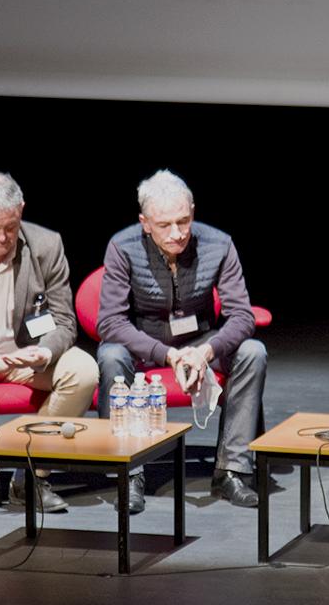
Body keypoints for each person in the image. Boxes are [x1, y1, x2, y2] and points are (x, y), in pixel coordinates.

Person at [96, 169, 266, 514]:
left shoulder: (219, 243)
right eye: (164, 225)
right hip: (145, 344)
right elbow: (109, 321)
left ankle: (232, 470)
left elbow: (242, 316)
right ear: (145, 223)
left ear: (193, 212)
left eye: (183, 221)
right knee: (111, 355)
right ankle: (129, 474)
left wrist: (207, 351)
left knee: (253, 351)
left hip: (202, 340)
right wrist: (167, 354)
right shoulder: (122, 246)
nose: (177, 233)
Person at [0, 172, 99, 513]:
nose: (3, 237)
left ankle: (31, 474)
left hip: (26, 359)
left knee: (83, 370)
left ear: (21, 210)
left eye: (10, 226)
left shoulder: (46, 244)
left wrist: (45, 351)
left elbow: (65, 321)